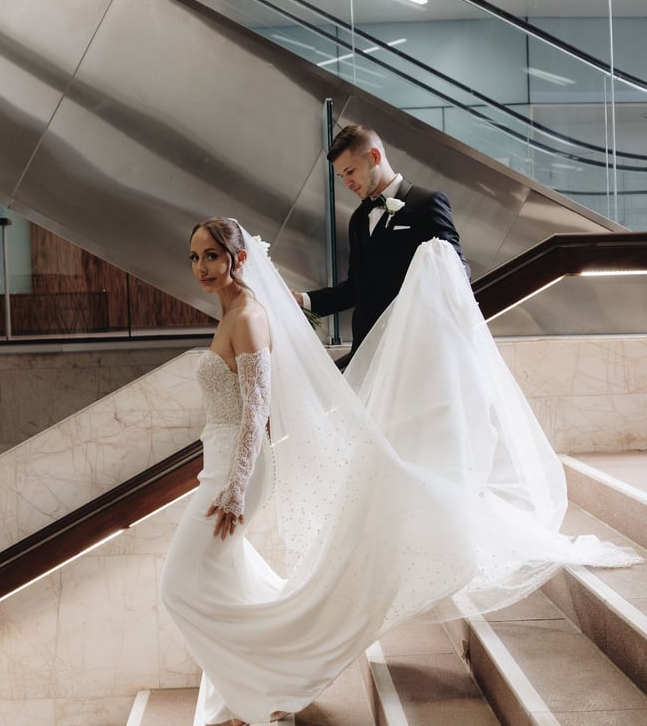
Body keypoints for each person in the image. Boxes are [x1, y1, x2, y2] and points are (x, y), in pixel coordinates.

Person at [161, 218, 640, 726]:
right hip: (219, 467)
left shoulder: (249, 318)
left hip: (235, 476)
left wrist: (235, 489)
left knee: (179, 589)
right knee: (226, 583)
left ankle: (265, 683)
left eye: (211, 256)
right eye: (194, 258)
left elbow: (256, 412)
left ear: (238, 258)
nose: (201, 268)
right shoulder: (230, 313)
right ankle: (255, 688)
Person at [293, 124, 470, 355]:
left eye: (350, 171)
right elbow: (356, 288)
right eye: (341, 176)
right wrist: (304, 301)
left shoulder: (428, 203)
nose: (346, 183)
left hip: (415, 349)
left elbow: (459, 269)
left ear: (374, 156)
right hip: (367, 350)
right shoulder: (358, 219)